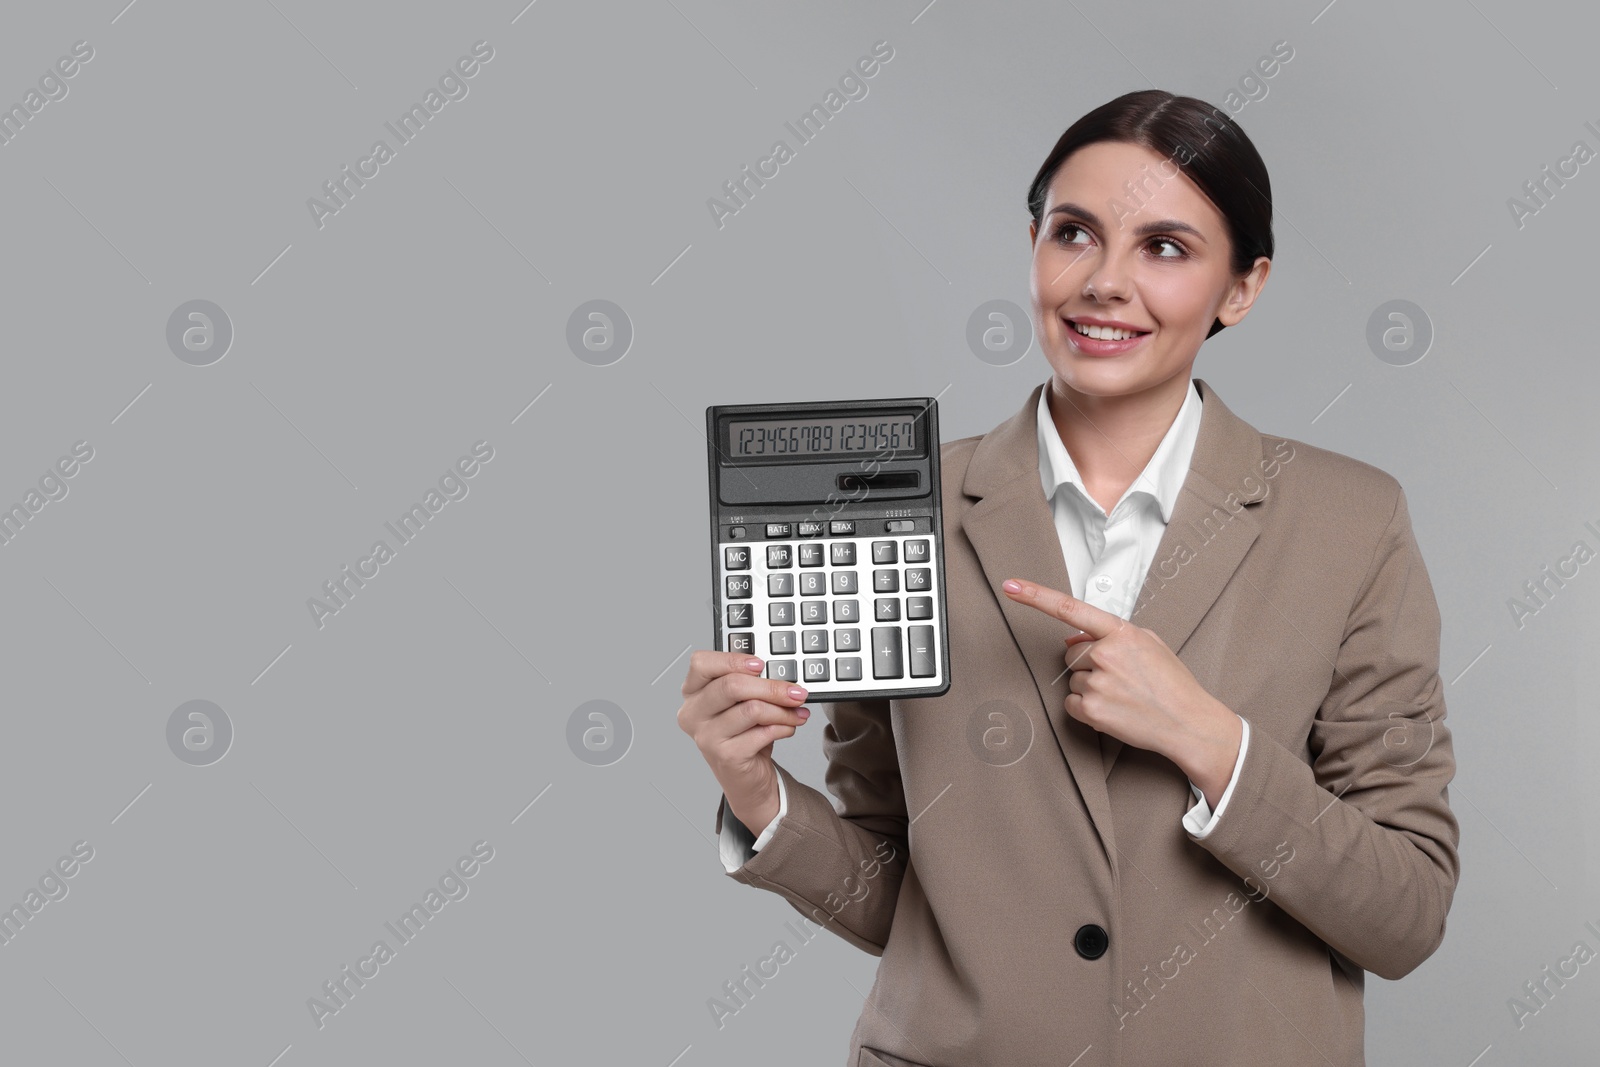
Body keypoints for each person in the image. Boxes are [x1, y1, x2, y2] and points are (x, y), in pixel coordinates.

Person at [678, 89, 1459, 1067]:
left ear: (1241, 286)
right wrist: (759, 798)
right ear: (1034, 245)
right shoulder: (897, 506)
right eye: (1073, 233)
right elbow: (896, 900)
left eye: (1165, 247)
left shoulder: (1351, 519)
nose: (1103, 282)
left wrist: (1212, 743)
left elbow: (1406, 912)